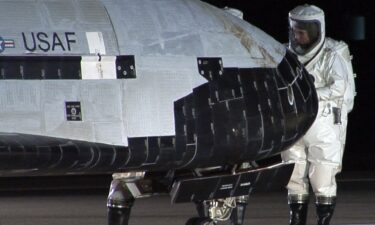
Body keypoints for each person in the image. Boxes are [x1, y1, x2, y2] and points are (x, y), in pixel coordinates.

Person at [281, 4, 356, 225]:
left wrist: (307, 94)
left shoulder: (332, 54)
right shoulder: (286, 54)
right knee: (293, 174)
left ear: (316, 31)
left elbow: (340, 88)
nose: (297, 35)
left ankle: (323, 220)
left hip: (323, 124)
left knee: (322, 176)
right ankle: (296, 219)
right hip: (294, 124)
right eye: (295, 30)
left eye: (302, 31)